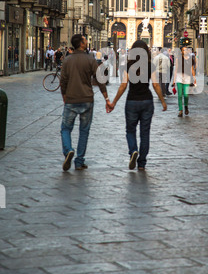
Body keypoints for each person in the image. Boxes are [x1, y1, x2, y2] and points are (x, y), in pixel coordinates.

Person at [109, 40, 167, 171]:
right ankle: (142, 163)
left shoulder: (128, 66)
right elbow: (156, 85)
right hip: (147, 101)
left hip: (132, 101)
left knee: (130, 130)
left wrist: (114, 102)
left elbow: (123, 85)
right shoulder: (150, 65)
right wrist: (162, 100)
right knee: (145, 133)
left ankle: (133, 151)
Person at [60, 34, 113, 171]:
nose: (86, 42)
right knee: (84, 131)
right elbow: (100, 80)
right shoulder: (90, 60)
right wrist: (107, 99)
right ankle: (79, 161)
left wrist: (64, 96)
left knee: (65, 128)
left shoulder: (67, 60)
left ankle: (68, 151)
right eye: (85, 40)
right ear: (82, 44)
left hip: (71, 99)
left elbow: (63, 81)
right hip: (87, 100)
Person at [172, 46, 196, 117]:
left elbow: (192, 69)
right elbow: (175, 70)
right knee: (179, 95)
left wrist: (194, 79)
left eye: (186, 50)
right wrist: (174, 80)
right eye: (183, 50)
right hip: (179, 79)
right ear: (181, 51)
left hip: (187, 79)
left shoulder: (191, 59)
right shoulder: (178, 59)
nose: (185, 51)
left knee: (186, 95)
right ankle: (180, 110)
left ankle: (186, 106)